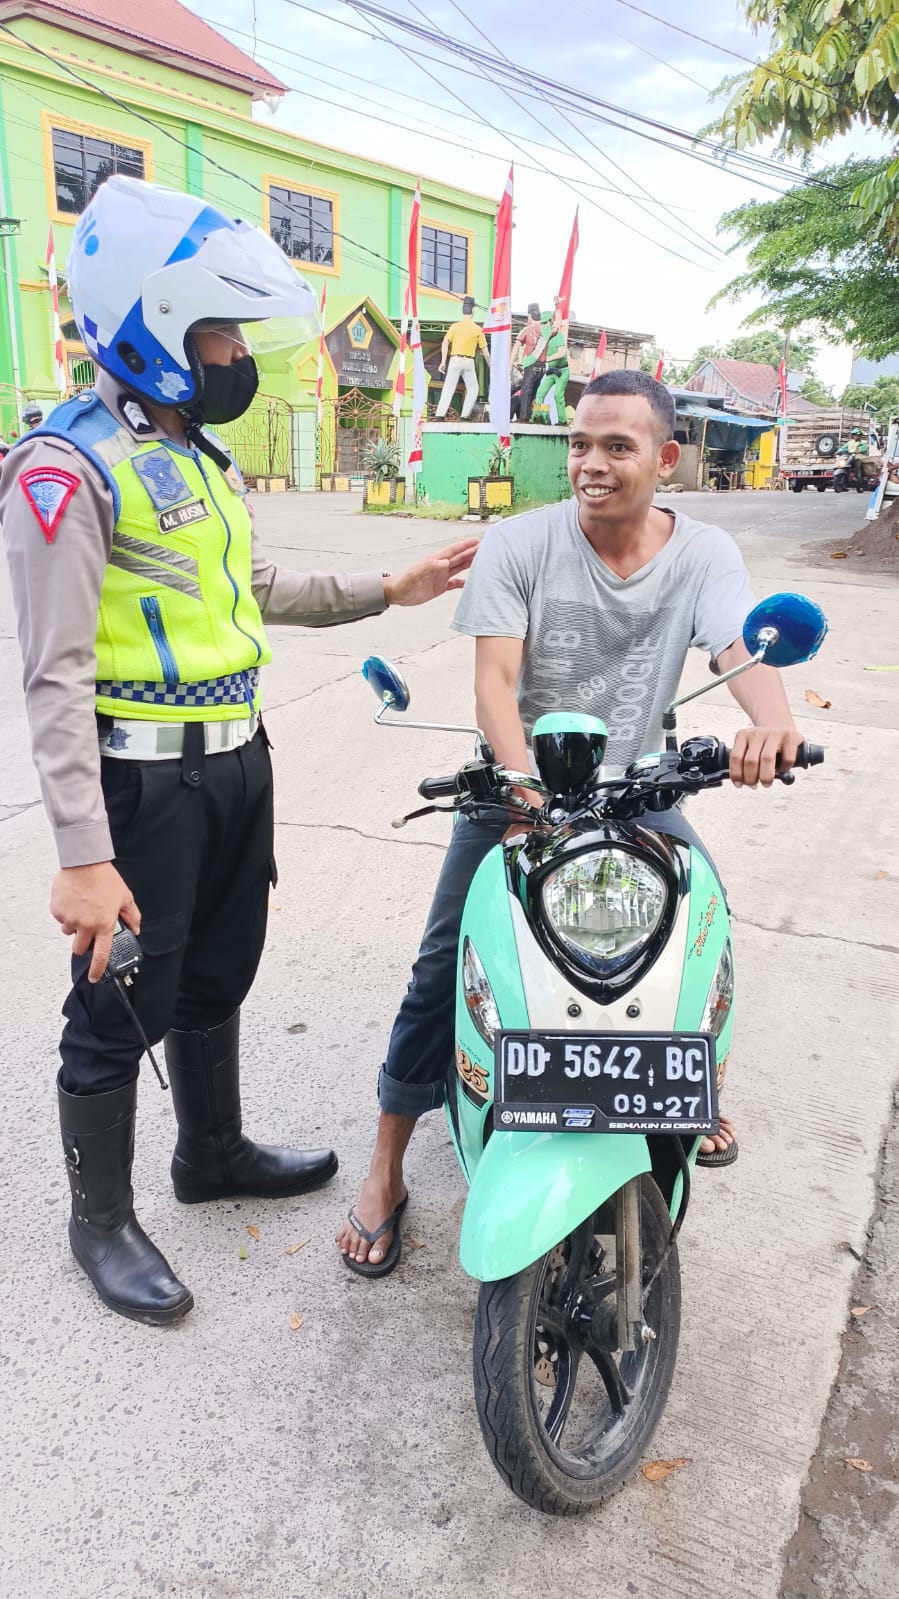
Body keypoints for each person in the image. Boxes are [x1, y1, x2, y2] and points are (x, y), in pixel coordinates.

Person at [0, 174, 478, 1327]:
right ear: (152, 329)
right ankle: (99, 1223)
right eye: (216, 332)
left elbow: (257, 593)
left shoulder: (196, 459)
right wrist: (80, 853)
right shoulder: (66, 470)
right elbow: (54, 675)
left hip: (234, 763)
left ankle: (208, 1152)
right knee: (118, 1003)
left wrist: (387, 584)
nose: (232, 355)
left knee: (219, 968)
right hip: (140, 781)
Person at [337, 368, 806, 1276]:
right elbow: (494, 682)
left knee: (697, 938)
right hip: (519, 787)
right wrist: (521, 793)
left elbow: (737, 644)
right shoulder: (520, 542)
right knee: (447, 965)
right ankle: (386, 1164)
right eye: (580, 444)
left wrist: (771, 721)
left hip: (639, 784)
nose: (591, 463)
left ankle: (684, 1091)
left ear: (664, 458)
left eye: (617, 446)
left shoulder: (704, 554)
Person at [435, 296, 490, 420]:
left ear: (463, 310)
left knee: (448, 388)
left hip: (455, 360)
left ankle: (439, 415)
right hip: (469, 361)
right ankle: (465, 416)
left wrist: (443, 361)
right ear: (473, 310)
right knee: (473, 389)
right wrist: (491, 366)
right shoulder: (478, 330)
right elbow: (485, 353)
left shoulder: (454, 327)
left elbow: (445, 343)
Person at [532, 303, 570, 425]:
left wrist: (547, 358)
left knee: (558, 396)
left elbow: (562, 353)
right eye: (541, 323)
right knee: (540, 393)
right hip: (551, 371)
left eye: (544, 323)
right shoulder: (544, 337)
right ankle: (541, 418)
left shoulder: (558, 336)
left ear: (549, 322)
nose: (543, 326)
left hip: (562, 372)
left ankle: (563, 421)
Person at [511, 303, 546, 423]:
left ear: (529, 315)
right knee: (535, 393)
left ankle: (524, 418)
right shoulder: (545, 330)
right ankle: (534, 417)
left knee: (526, 391)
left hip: (531, 366)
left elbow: (516, 347)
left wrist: (510, 363)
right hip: (542, 367)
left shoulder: (527, 329)